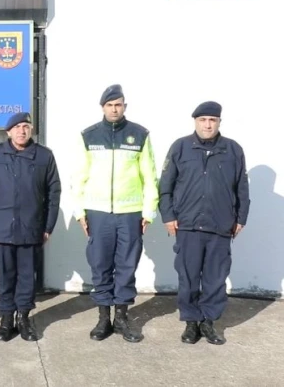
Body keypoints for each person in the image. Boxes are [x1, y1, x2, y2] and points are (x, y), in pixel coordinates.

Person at [71, 84, 159, 343]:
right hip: (98, 213)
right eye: (109, 105)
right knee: (100, 264)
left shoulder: (139, 134)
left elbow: (150, 177)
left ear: (124, 107)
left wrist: (148, 211)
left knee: (126, 265)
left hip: (130, 213)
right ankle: (103, 318)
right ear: (102, 108)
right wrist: (80, 212)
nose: (114, 109)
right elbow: (79, 176)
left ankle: (121, 318)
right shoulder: (89, 136)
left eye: (118, 105)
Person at [158, 101, 250, 345]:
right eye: (203, 120)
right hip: (187, 226)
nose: (207, 124)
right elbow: (165, 186)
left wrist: (241, 218)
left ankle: (208, 322)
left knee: (215, 277)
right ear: (195, 121)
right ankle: (190, 323)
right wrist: (168, 216)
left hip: (220, 226)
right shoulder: (180, 148)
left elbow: (242, 187)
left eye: (212, 120)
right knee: (187, 277)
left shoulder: (233, 150)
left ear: (219, 122)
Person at [0, 112, 61, 342]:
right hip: (1, 230)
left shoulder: (44, 156)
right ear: (8, 132)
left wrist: (48, 227)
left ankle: (23, 318)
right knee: (4, 277)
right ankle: (5, 320)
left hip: (31, 229)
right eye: (17, 127)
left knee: (26, 278)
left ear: (31, 130)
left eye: (26, 126)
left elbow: (54, 194)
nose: (22, 131)